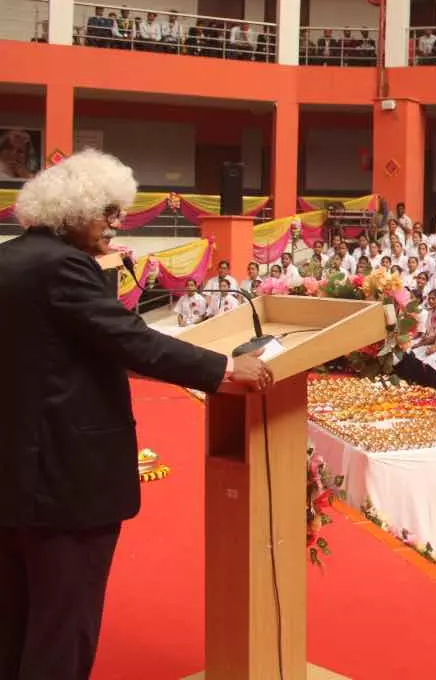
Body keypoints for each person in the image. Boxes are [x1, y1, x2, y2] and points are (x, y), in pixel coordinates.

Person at [0, 150, 271, 680]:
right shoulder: (64, 267)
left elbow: (63, 337)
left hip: (15, 475)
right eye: (109, 212)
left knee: (16, 619)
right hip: (65, 483)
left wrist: (101, 269)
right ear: (73, 211)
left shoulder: (13, 258)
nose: (117, 223)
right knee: (63, 625)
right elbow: (130, 341)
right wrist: (224, 370)